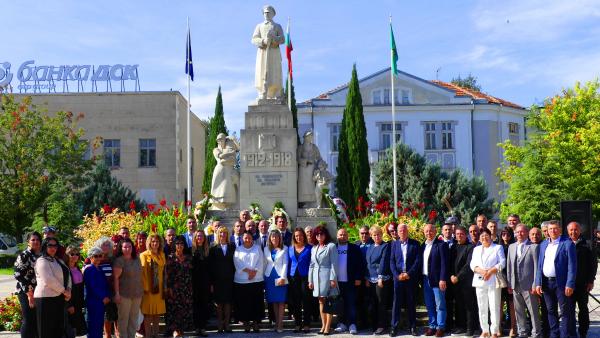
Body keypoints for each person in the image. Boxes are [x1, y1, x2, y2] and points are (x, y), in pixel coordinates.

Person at [534, 220, 577, 338]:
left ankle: (565, 335)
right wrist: (538, 283)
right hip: (546, 283)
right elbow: (539, 266)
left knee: (565, 312)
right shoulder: (543, 245)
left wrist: (570, 284)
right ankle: (554, 334)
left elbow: (572, 266)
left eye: (555, 228)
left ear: (560, 230)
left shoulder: (567, 244)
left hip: (562, 284)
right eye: (550, 229)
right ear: (546, 231)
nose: (553, 231)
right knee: (550, 311)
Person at [506, 224, 541, 338]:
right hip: (515, 284)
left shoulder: (533, 247)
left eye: (522, 232)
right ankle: (522, 332)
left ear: (526, 233)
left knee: (533, 311)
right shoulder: (511, 247)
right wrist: (509, 283)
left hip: (529, 285)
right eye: (517, 232)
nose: (519, 234)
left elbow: (537, 267)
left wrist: (535, 284)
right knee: (519, 311)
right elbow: (509, 266)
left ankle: (536, 333)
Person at [470, 228, 506, 338]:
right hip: (480, 281)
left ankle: (494, 331)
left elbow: (502, 262)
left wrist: (490, 271)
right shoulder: (476, 249)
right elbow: (472, 264)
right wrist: (482, 271)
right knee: (482, 306)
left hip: (493, 280)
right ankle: (485, 330)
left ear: (490, 236)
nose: (484, 237)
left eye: (486, 235)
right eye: (482, 236)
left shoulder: (497, 247)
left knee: (494, 306)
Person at [390, 223, 421, 337]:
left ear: (407, 231)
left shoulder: (415, 244)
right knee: (396, 303)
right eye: (400, 230)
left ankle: (413, 327)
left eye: (404, 230)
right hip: (398, 279)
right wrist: (397, 275)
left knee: (411, 302)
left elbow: (417, 261)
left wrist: (408, 274)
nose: (402, 232)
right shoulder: (394, 244)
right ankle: (394, 327)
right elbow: (392, 262)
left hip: (410, 278)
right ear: (397, 232)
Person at [567, 221, 596, 338]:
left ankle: (583, 332)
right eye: (571, 230)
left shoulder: (587, 244)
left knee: (583, 309)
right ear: (567, 231)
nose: (573, 232)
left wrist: (591, 280)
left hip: (583, 284)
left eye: (576, 229)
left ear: (580, 230)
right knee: (569, 310)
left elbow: (593, 264)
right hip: (568, 284)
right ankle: (571, 332)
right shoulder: (564, 243)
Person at [308, 225, 339, 335]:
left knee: (329, 301)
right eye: (317, 234)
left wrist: (332, 278)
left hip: (327, 276)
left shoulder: (331, 246)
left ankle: (327, 326)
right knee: (321, 301)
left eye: (321, 234)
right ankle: (323, 325)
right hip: (316, 277)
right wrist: (310, 280)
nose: (319, 236)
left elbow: (334, 264)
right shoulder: (314, 248)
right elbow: (311, 265)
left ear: (326, 235)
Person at [233, 231, 265, 332]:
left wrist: (254, 272)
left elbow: (261, 261)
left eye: (249, 238)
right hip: (241, 281)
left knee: (256, 302)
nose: (247, 239)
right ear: (242, 239)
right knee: (244, 303)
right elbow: (236, 261)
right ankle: (246, 323)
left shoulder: (257, 248)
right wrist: (248, 271)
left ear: (252, 238)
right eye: (245, 238)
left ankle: (256, 323)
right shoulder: (238, 249)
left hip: (256, 280)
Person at [420, 224, 448, 337]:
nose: (428, 233)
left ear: (435, 231)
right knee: (429, 304)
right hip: (425, 278)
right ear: (424, 233)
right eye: (426, 231)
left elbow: (444, 264)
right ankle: (432, 325)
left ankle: (440, 327)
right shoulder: (423, 246)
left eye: (431, 231)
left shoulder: (441, 245)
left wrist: (442, 279)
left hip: (437, 280)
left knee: (440, 304)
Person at [334, 228, 364, 335]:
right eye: (340, 235)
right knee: (340, 304)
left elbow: (360, 264)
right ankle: (341, 324)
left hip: (351, 281)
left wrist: (358, 278)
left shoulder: (354, 248)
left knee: (351, 303)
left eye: (344, 234)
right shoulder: (333, 248)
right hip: (337, 282)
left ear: (348, 236)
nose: (342, 236)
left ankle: (352, 324)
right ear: (337, 236)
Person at [251, 5, 284, 100]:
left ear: (273, 14)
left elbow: (282, 39)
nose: (266, 14)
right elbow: (254, 39)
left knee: (275, 72)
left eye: (268, 12)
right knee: (261, 72)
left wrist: (274, 38)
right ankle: (262, 92)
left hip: (274, 53)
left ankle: (276, 92)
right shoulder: (259, 26)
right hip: (263, 52)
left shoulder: (277, 26)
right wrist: (263, 41)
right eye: (265, 12)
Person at [364, 225, 392, 335]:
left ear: (382, 234)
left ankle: (381, 326)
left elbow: (383, 262)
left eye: (378, 234)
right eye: (374, 235)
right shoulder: (370, 247)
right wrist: (366, 278)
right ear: (371, 236)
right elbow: (368, 264)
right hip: (370, 278)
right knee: (373, 302)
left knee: (381, 303)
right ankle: (374, 324)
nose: (376, 236)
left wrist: (380, 278)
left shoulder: (385, 246)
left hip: (381, 279)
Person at [449, 226, 476, 337]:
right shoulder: (453, 247)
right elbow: (450, 263)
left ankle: (470, 329)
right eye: (457, 234)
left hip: (466, 281)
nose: (459, 236)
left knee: (469, 306)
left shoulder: (470, 247)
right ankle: (461, 327)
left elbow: (468, 265)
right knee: (459, 305)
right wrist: (451, 275)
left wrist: (458, 277)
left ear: (466, 235)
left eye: (461, 234)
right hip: (454, 281)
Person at [113, 238, 143, 338]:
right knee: (123, 319)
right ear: (121, 248)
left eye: (129, 246)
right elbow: (116, 279)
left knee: (134, 319)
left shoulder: (137, 259)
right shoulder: (119, 261)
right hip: (123, 295)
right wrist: (117, 294)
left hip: (137, 294)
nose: (127, 249)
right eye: (125, 247)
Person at [13, 231, 42, 338]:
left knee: (36, 319)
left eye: (38, 239)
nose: (36, 242)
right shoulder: (24, 255)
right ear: (28, 242)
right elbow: (18, 275)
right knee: (28, 319)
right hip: (26, 292)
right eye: (33, 240)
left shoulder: (41, 255)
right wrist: (30, 294)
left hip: (39, 291)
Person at [166, 236, 194, 337]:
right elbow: (167, 275)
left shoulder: (189, 258)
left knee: (185, 309)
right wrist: (169, 288)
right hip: (174, 288)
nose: (179, 246)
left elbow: (192, 273)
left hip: (186, 288)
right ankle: (175, 331)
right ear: (174, 245)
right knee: (174, 310)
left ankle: (181, 330)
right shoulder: (170, 258)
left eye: (181, 244)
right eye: (177, 244)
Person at [140, 234, 167, 338]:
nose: (155, 243)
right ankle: (148, 335)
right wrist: (145, 288)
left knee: (157, 314)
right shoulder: (144, 255)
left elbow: (164, 272)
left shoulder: (162, 254)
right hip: (148, 289)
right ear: (149, 243)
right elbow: (142, 273)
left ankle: (156, 335)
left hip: (159, 289)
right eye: (153, 241)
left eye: (157, 241)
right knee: (148, 315)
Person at [209, 226, 235, 333]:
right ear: (217, 234)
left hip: (229, 279)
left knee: (228, 302)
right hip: (217, 280)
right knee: (219, 303)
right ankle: (220, 323)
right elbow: (210, 266)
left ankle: (227, 324)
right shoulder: (213, 247)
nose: (222, 235)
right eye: (220, 233)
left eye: (224, 233)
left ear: (227, 235)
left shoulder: (232, 246)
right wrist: (211, 282)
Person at [288, 227, 312, 333]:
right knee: (296, 301)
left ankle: (306, 324)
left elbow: (313, 264)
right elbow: (289, 263)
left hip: (305, 276)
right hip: (293, 277)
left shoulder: (310, 248)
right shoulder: (290, 248)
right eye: (297, 236)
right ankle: (298, 324)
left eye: (301, 235)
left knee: (306, 300)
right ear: (294, 237)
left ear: (304, 236)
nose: (299, 237)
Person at [264, 230, 289, 332]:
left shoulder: (285, 248)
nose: (275, 239)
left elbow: (285, 263)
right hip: (269, 276)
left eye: (277, 237)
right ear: (270, 238)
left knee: (281, 301)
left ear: (280, 238)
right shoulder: (266, 249)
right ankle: (276, 323)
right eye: (273, 237)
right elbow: (264, 263)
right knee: (274, 301)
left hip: (280, 276)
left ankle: (280, 324)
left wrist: (282, 277)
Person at [84, 246, 110, 338]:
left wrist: (107, 296)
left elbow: (105, 284)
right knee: (93, 327)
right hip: (93, 302)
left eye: (100, 256)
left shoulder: (99, 269)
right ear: (90, 257)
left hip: (101, 302)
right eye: (96, 256)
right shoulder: (89, 269)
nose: (99, 258)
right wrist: (103, 297)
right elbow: (92, 286)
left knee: (99, 326)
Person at [94, 236, 117, 338]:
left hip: (113, 291)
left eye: (108, 244)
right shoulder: (96, 259)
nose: (106, 246)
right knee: (106, 316)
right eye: (104, 244)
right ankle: (107, 336)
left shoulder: (113, 259)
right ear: (99, 246)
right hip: (101, 293)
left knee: (116, 315)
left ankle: (118, 335)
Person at [210, 133, 240, 209]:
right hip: (220, 170)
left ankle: (228, 205)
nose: (220, 141)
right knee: (218, 190)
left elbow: (238, 149)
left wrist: (234, 139)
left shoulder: (229, 146)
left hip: (229, 170)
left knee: (228, 188)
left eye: (222, 139)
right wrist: (230, 153)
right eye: (218, 140)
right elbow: (220, 157)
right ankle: (219, 205)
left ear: (225, 140)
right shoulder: (215, 149)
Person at [191, 230, 211, 337]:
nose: (199, 238)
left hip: (205, 283)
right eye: (198, 236)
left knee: (204, 305)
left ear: (204, 238)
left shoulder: (208, 251)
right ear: (195, 237)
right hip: (194, 283)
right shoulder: (191, 250)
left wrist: (211, 283)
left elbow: (211, 269)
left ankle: (202, 328)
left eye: (201, 236)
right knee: (195, 305)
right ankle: (196, 327)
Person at [65, 245, 87, 337]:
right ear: (67, 255)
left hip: (78, 302)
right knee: (70, 328)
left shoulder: (78, 268)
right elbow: (65, 288)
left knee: (77, 329)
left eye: (77, 254)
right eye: (72, 254)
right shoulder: (65, 269)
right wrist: (69, 305)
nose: (75, 256)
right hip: (71, 302)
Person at [499, 227, 517, 337]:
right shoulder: (498, 247)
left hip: (512, 278)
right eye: (503, 234)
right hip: (500, 278)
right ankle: (499, 327)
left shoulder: (514, 246)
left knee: (512, 304)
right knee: (499, 304)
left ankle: (513, 327)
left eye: (508, 234)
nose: (506, 236)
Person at [355, 225, 373, 330]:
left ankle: (369, 323)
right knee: (359, 301)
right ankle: (361, 322)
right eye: (362, 233)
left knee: (369, 301)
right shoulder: (356, 245)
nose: (364, 235)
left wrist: (367, 277)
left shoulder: (373, 244)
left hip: (369, 278)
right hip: (357, 278)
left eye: (366, 233)